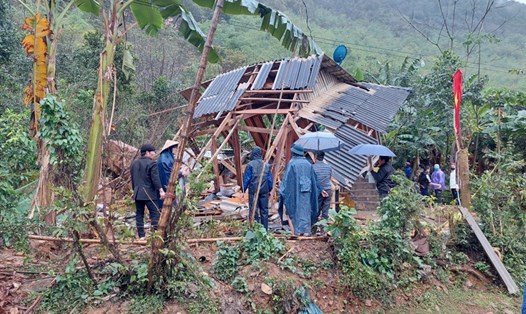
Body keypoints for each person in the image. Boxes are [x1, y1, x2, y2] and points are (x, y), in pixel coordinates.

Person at [279, 144, 320, 236]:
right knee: (306, 211)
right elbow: (314, 181)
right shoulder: (309, 165)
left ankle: (295, 233)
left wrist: (282, 192)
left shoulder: (292, 164)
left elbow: (286, 181)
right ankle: (306, 231)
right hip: (307, 194)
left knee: (293, 211)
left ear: (294, 153)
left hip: (294, 193)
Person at [130, 144, 165, 240]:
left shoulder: (134, 163)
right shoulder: (152, 163)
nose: (154, 154)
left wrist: (134, 190)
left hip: (137, 193)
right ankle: (156, 235)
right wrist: (161, 191)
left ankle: (141, 236)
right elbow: (155, 179)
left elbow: (133, 179)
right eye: (153, 152)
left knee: (139, 214)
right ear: (147, 152)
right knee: (155, 213)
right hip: (149, 193)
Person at [242, 147, 273, 230]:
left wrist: (243, 189)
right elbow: (270, 180)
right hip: (264, 190)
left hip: (253, 190)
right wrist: (269, 189)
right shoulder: (266, 165)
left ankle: (255, 229)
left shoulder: (250, 165)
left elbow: (247, 179)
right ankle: (264, 230)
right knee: (264, 210)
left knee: (254, 210)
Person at [157, 140, 191, 208]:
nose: (177, 150)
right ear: (171, 148)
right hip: (166, 184)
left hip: (164, 184)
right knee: (166, 205)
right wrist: (181, 173)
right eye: (176, 148)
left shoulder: (167, 156)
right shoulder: (166, 158)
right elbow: (170, 172)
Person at [312, 152, 332, 221]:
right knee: (325, 210)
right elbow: (329, 178)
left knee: (316, 209)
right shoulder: (329, 167)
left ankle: (314, 226)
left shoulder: (312, 167)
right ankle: (323, 228)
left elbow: (313, 180)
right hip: (328, 189)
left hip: (318, 191)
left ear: (315, 157)